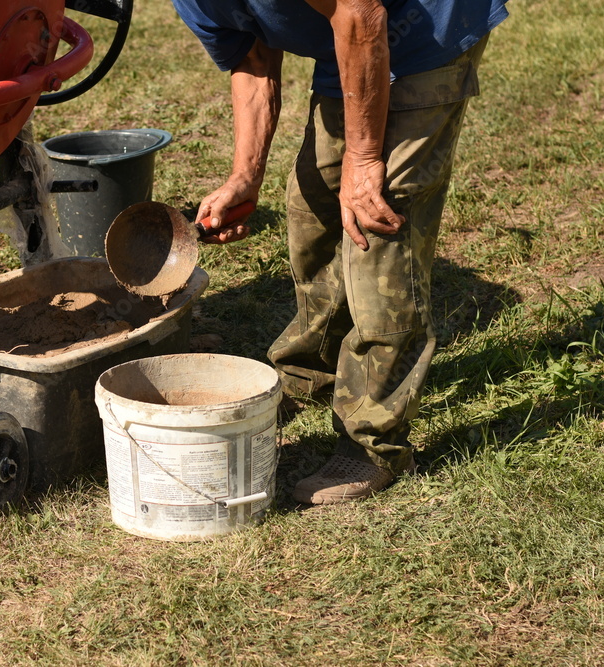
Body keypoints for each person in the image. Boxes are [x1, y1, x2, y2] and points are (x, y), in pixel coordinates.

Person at [169, 0, 509, 503]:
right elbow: (254, 58)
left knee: (377, 224)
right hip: (350, 41)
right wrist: (245, 175)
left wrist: (365, 157)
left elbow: (361, 14)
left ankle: (373, 442)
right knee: (314, 208)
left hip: (420, 30)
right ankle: (310, 375)